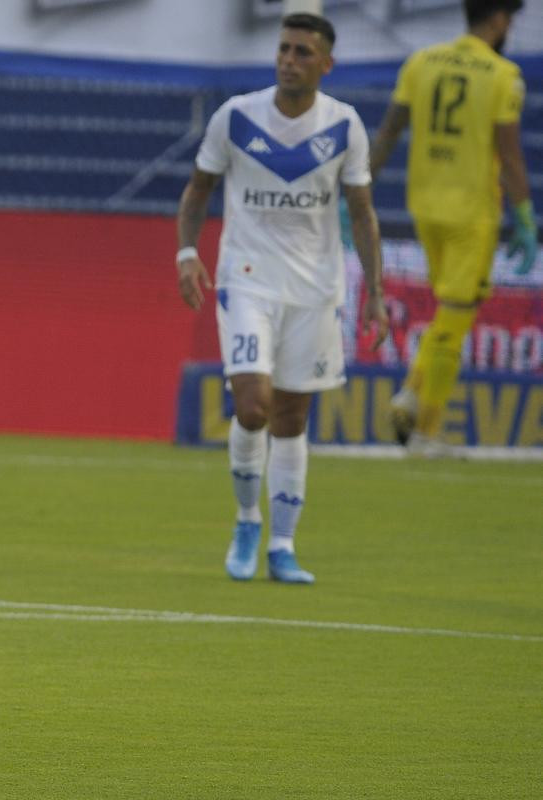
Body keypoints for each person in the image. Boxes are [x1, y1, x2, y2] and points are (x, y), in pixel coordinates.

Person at [175, 13, 389, 584]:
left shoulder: (344, 127)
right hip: (247, 279)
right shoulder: (238, 116)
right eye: (283, 49)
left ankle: (283, 546)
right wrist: (186, 252)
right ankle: (248, 520)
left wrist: (376, 294)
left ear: (325, 63)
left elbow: (363, 213)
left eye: (301, 51)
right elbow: (198, 189)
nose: (288, 59)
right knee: (252, 406)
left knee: (293, 417)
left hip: (315, 288)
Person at [369, 0, 537, 457]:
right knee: (458, 316)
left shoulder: (420, 62)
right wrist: (524, 215)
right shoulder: (502, 75)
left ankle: (414, 397)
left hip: (424, 205)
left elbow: (387, 132)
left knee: (449, 310)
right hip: (471, 211)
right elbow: (511, 154)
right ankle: (424, 426)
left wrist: (359, 190)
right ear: (500, 19)